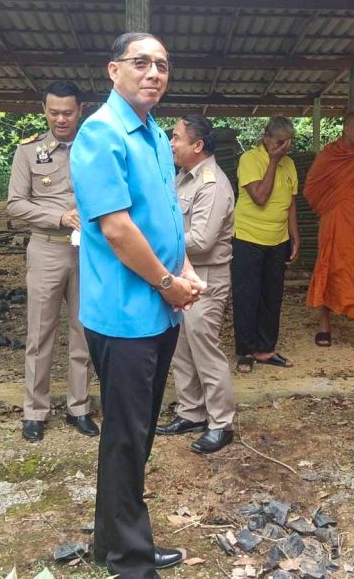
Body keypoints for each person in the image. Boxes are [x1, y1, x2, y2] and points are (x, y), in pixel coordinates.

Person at [70, 32, 203, 578]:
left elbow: (165, 214)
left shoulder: (150, 133)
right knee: (128, 438)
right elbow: (118, 229)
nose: (154, 73)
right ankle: (130, 560)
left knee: (136, 433)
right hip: (126, 314)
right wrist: (168, 282)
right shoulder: (102, 133)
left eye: (162, 65)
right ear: (113, 70)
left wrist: (185, 266)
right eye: (141, 62)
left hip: (157, 309)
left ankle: (113, 544)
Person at [7, 80, 98, 442]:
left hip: (89, 251)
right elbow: (15, 204)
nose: (61, 119)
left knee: (83, 330)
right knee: (40, 332)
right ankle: (35, 411)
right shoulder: (28, 152)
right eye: (54, 112)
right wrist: (58, 217)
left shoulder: (95, 148)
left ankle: (80, 407)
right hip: (46, 248)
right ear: (44, 110)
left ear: (81, 110)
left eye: (68, 112)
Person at [157, 115, 237, 454]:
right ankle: (191, 412)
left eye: (176, 137)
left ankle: (221, 423)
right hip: (182, 275)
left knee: (205, 350)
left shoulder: (212, 184)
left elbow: (202, 240)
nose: (171, 143)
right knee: (182, 347)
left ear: (198, 145)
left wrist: (157, 243)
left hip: (205, 278)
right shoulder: (182, 177)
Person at [305, 112, 354, 349]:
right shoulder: (330, 155)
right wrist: (330, 204)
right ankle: (324, 326)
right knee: (328, 270)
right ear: (347, 130)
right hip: (334, 223)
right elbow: (312, 188)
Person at [231, 116, 300, 374]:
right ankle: (246, 351)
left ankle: (266, 349)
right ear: (266, 137)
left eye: (288, 143)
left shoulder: (289, 164)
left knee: (272, 296)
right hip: (248, 237)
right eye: (280, 142)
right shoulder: (250, 159)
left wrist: (294, 236)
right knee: (247, 295)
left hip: (278, 239)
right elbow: (260, 197)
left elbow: (290, 202)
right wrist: (272, 161)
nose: (284, 148)